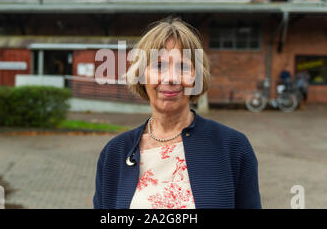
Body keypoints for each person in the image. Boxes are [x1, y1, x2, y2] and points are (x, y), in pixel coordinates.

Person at [93, 17, 261, 209]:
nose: (171, 78)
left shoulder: (233, 147)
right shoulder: (114, 153)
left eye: (182, 67)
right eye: (158, 66)